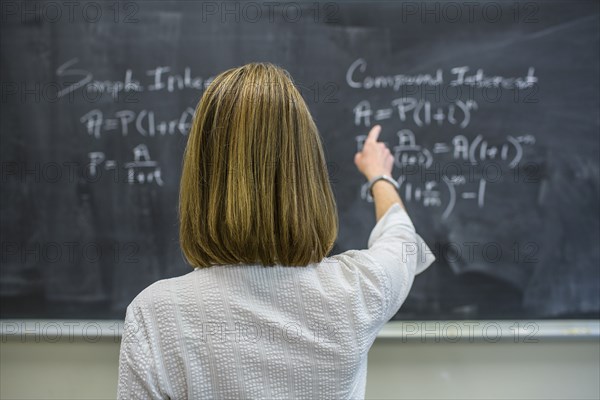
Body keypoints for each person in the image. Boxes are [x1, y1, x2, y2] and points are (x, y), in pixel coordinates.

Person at [117, 62, 435, 399]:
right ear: (307, 171)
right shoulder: (357, 291)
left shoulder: (156, 314)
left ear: (201, 175)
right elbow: (400, 239)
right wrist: (378, 174)